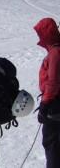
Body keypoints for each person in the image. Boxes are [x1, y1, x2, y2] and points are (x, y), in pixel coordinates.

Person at [36, 18, 60, 168]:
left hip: (55, 106)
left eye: (40, 34)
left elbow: (53, 81)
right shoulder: (56, 50)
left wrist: (45, 104)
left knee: (52, 144)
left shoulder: (55, 53)